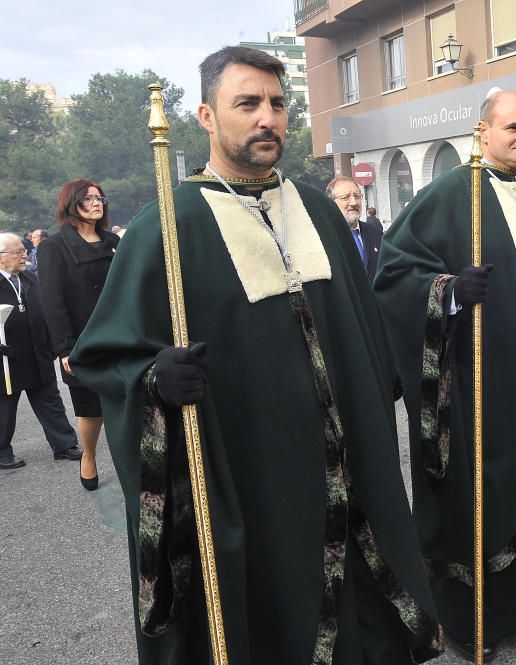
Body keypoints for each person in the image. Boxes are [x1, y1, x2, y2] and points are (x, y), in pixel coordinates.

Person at [70, 46, 441, 664]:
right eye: (247, 103)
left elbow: (366, 335)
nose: (267, 117)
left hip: (349, 465)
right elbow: (106, 358)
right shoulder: (170, 222)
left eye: (277, 103)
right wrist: (156, 377)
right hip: (253, 473)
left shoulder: (319, 210)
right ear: (207, 116)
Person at [375, 90, 516, 661]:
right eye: (512, 127)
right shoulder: (453, 193)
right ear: (483, 130)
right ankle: (479, 623)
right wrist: (448, 294)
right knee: (488, 492)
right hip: (483, 382)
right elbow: (395, 273)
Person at [37, 179, 119, 490]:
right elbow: (53, 302)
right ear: (72, 204)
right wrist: (65, 349)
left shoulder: (113, 242)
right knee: (90, 410)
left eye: (100, 198)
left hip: (119, 337)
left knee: (127, 403)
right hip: (82, 341)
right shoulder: (53, 247)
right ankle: (89, 455)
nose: (97, 203)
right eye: (88, 199)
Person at [0, 233, 82, 471]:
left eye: (23, 250)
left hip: (37, 352)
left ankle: (64, 445)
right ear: (1, 258)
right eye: (17, 252)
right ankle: (2, 451)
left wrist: (53, 344)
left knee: (51, 401)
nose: (24, 255)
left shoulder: (29, 278)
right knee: (4, 409)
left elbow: (45, 311)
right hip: (7, 358)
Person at [327, 176, 383, 283]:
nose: (354, 203)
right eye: (346, 197)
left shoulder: (376, 234)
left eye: (357, 196)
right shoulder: (323, 237)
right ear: (331, 203)